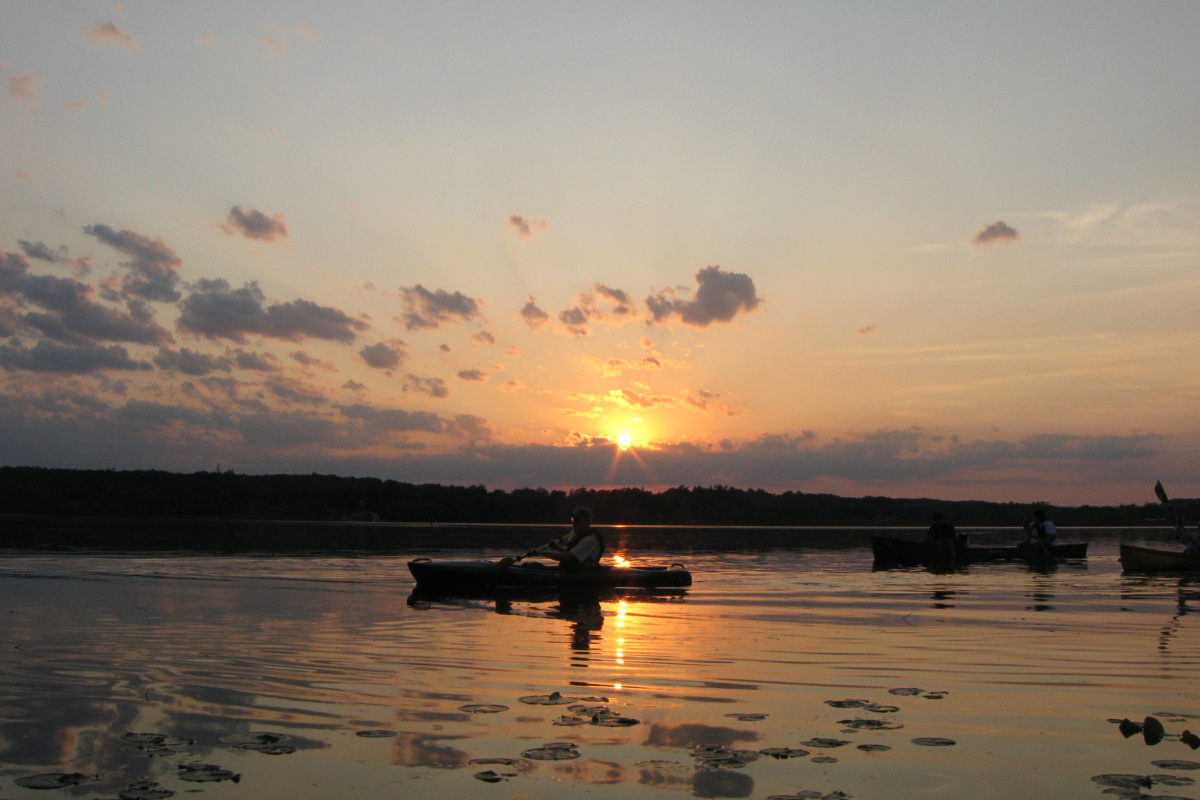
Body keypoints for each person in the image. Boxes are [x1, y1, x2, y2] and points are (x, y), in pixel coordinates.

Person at [526, 506, 605, 569]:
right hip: (569, 570)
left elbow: (568, 557)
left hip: (579, 574)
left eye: (577, 520)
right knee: (530, 565)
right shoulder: (580, 536)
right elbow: (573, 554)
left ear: (586, 521)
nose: (573, 523)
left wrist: (539, 552)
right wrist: (558, 548)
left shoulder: (590, 540)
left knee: (533, 566)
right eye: (573, 520)